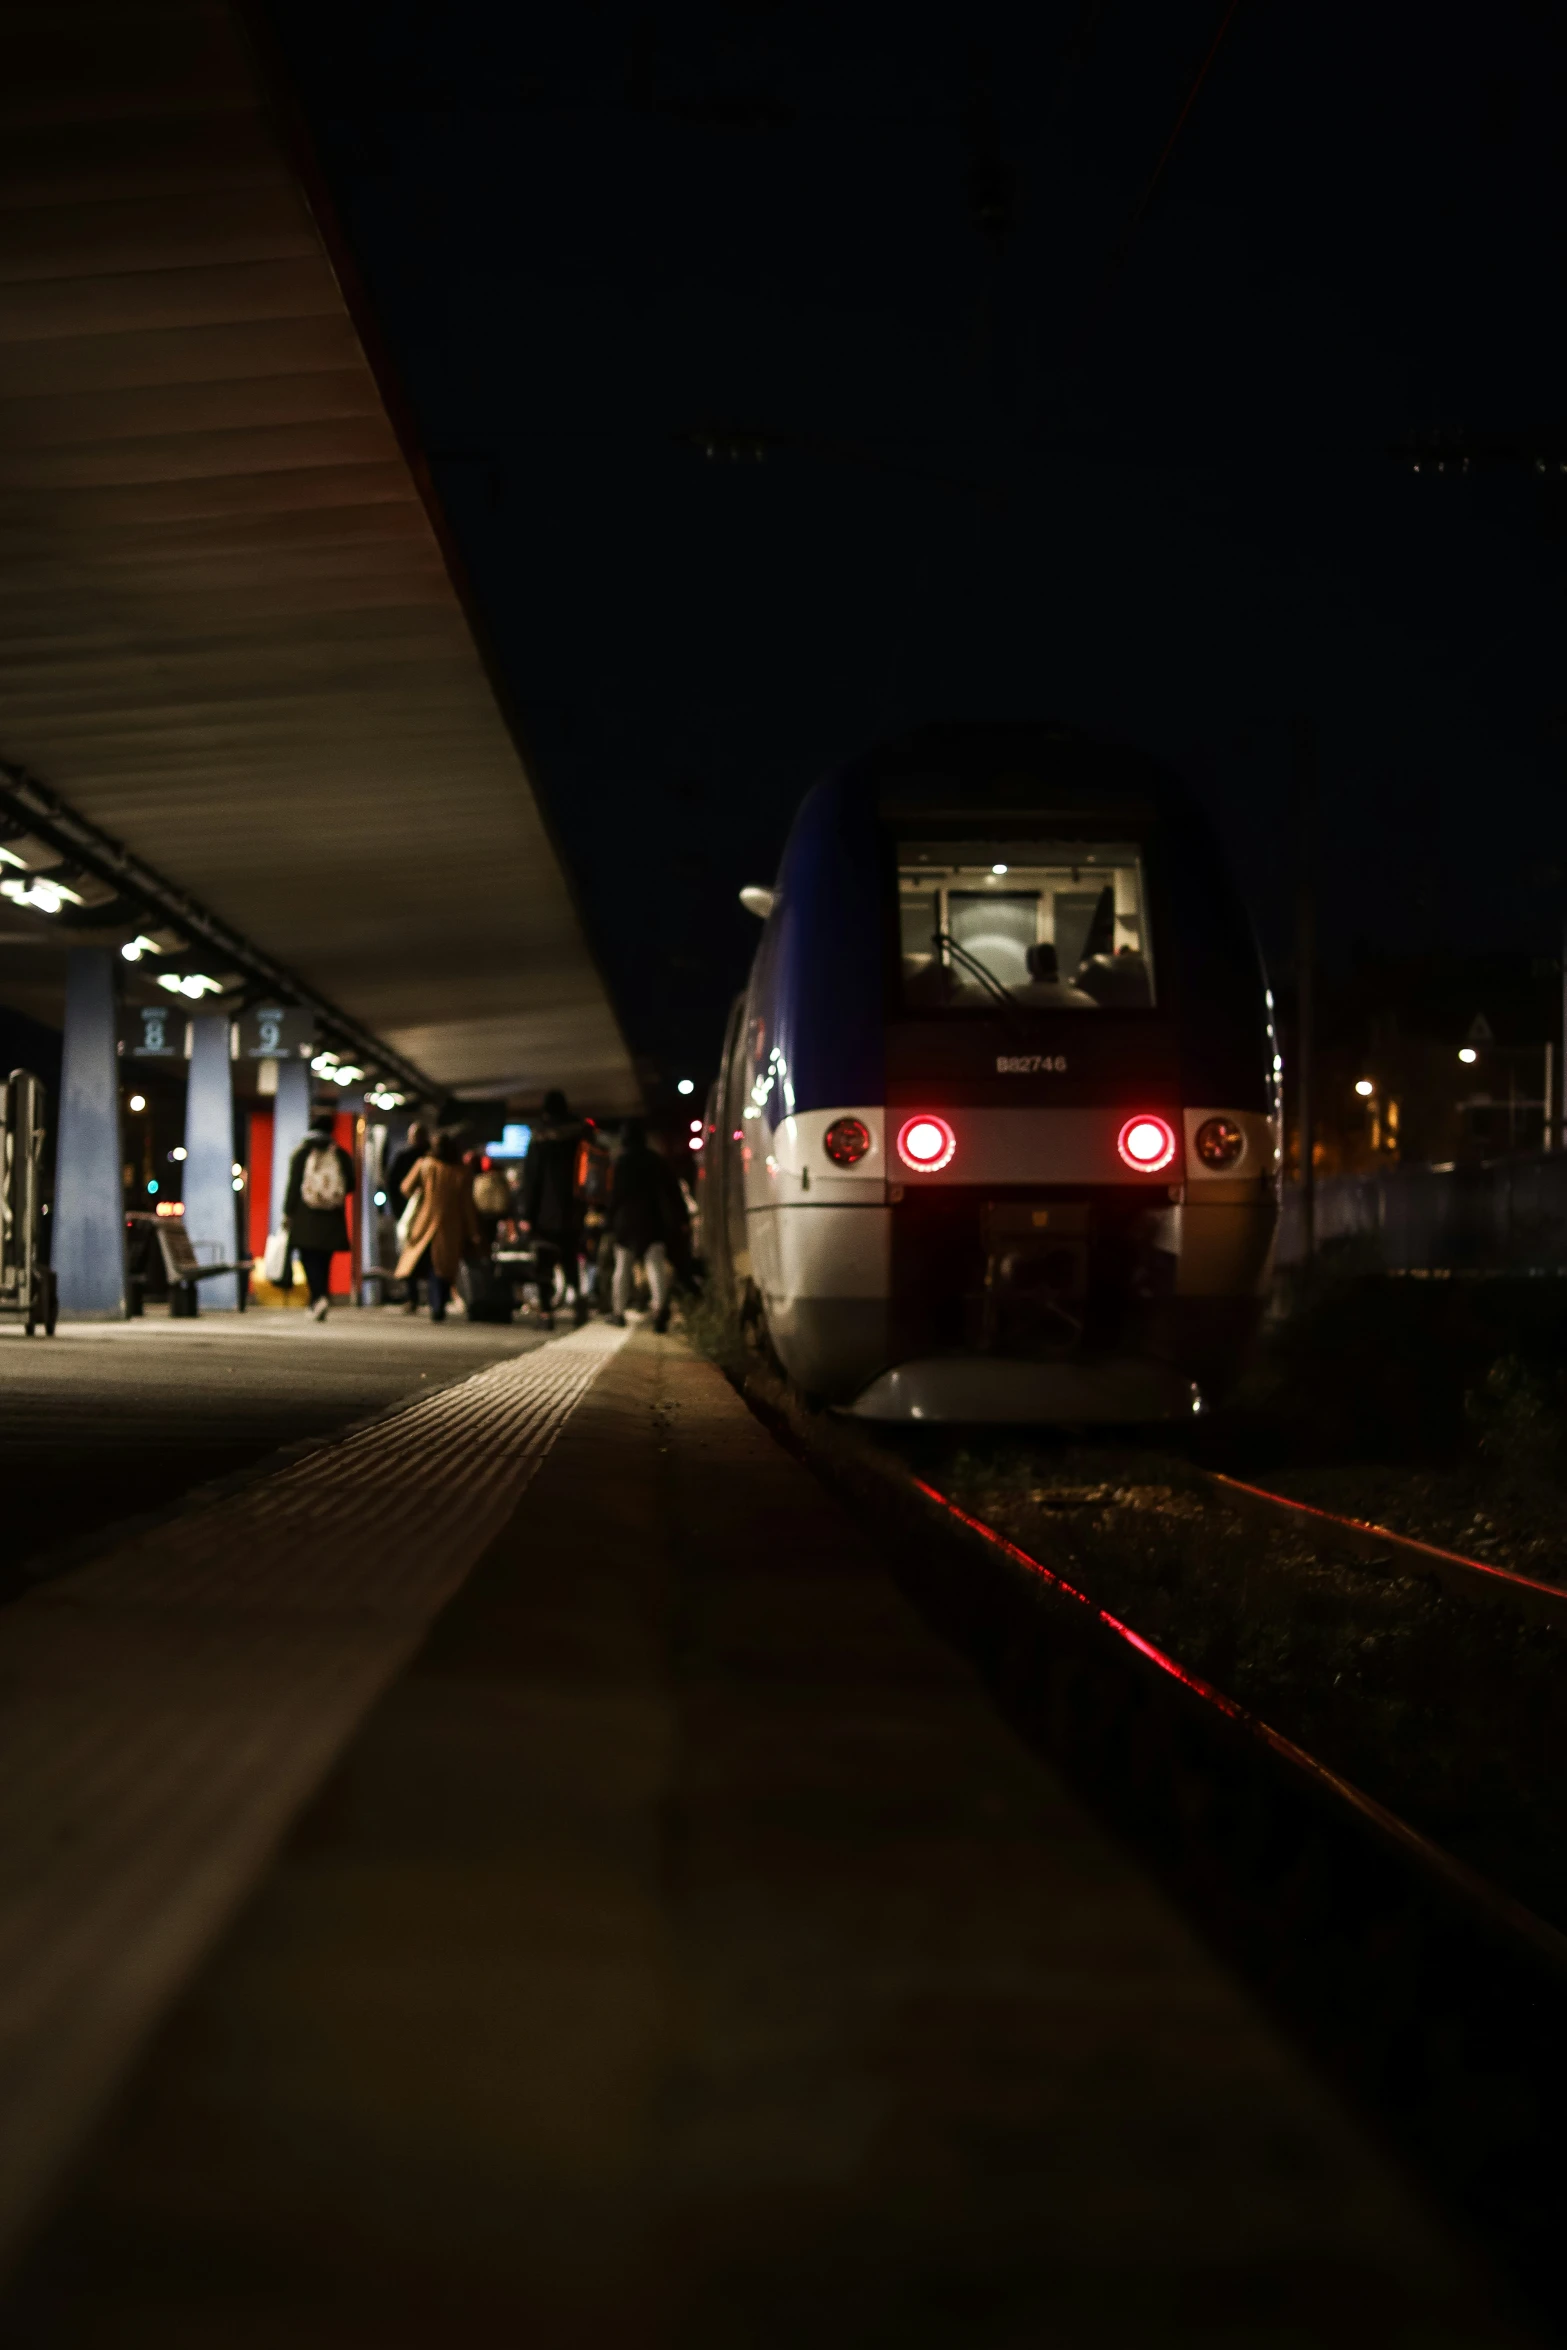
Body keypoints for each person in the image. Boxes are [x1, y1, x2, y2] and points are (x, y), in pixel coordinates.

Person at [608, 1120, 688, 1333]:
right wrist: (681, 1219)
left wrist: (608, 1221)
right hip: (653, 1221)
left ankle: (618, 1312)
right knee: (655, 1266)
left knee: (622, 1268)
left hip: (625, 1222)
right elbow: (672, 1192)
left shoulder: (621, 1163)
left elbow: (614, 1195)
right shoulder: (656, 1161)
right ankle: (660, 1310)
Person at [395, 1127, 480, 1322]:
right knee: (442, 1267)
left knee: (415, 1261)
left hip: (424, 1221)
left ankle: (416, 1299)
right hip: (452, 1225)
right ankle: (438, 1304)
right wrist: (474, 1231)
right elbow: (468, 1205)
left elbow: (406, 1188)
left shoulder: (425, 1165)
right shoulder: (462, 1171)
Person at [520, 1089, 587, 1329]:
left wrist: (526, 1214)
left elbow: (531, 1179)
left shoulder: (540, 1138)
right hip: (574, 1210)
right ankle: (579, 1302)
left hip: (545, 1214)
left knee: (544, 1263)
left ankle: (547, 1313)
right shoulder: (580, 1135)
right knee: (571, 1260)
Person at [282, 1107, 356, 1323]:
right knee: (324, 1260)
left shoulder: (302, 1153)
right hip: (331, 1217)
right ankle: (320, 1297)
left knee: (308, 1259)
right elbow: (350, 1185)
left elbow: (294, 1185)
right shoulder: (340, 1154)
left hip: (306, 1216)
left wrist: (288, 1212)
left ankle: (317, 1297)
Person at [383, 1120, 431, 1311]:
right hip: (429, 1217)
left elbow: (398, 1186)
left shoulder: (407, 1158)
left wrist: (398, 1211)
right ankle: (434, 1297)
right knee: (429, 1256)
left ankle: (413, 1297)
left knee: (409, 1254)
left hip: (409, 1217)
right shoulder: (434, 1158)